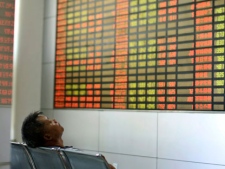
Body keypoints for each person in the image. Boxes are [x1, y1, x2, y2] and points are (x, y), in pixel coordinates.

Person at [21, 111, 115, 169]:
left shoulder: (38, 159)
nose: (54, 120)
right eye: (49, 122)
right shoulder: (75, 157)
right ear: (48, 137)